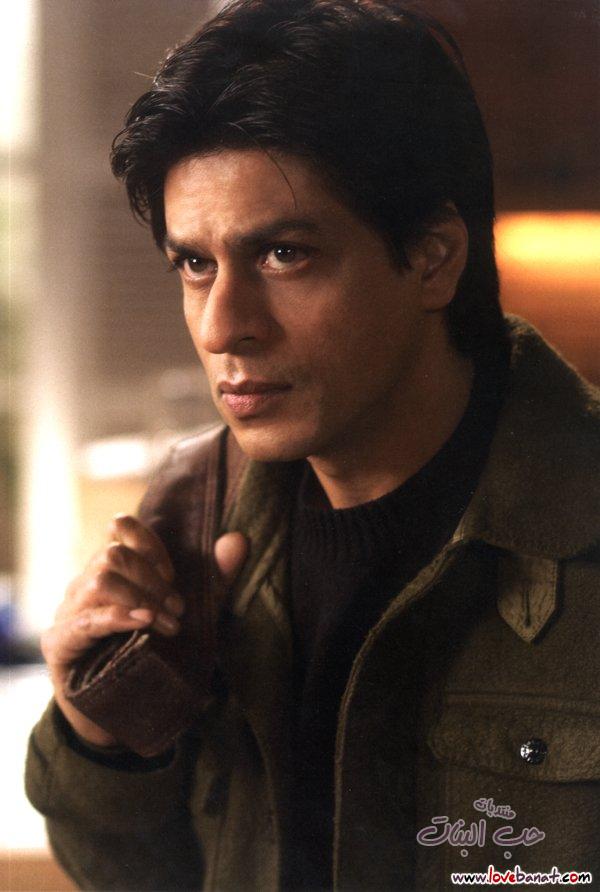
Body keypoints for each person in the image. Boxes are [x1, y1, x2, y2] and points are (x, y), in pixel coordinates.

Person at [25, 0, 600, 889]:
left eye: (284, 254)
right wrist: (95, 732)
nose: (222, 327)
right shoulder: (194, 513)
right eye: (195, 263)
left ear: (433, 258)